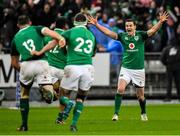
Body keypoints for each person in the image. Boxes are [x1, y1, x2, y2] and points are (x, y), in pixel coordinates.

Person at [87, 11, 169, 121]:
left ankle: (143, 113)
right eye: (126, 26)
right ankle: (116, 114)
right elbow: (108, 33)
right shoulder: (122, 36)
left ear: (135, 26)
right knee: (120, 89)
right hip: (126, 68)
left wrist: (160, 22)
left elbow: (153, 30)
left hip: (139, 70)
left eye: (130, 25)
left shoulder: (141, 35)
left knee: (140, 96)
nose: (128, 27)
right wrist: (97, 25)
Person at [10, 14, 65, 131]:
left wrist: (23, 71)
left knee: (24, 94)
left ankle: (24, 125)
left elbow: (14, 63)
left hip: (25, 64)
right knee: (50, 94)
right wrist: (60, 38)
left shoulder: (15, 39)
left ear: (17, 25)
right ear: (29, 22)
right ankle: (49, 94)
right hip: (42, 63)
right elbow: (50, 33)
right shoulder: (36, 28)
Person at [59, 12, 96, 132]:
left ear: (74, 22)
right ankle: (74, 124)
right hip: (88, 68)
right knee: (81, 97)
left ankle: (69, 103)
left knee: (61, 94)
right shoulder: (91, 35)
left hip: (73, 66)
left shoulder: (69, 32)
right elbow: (93, 53)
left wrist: (67, 52)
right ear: (85, 23)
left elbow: (61, 46)